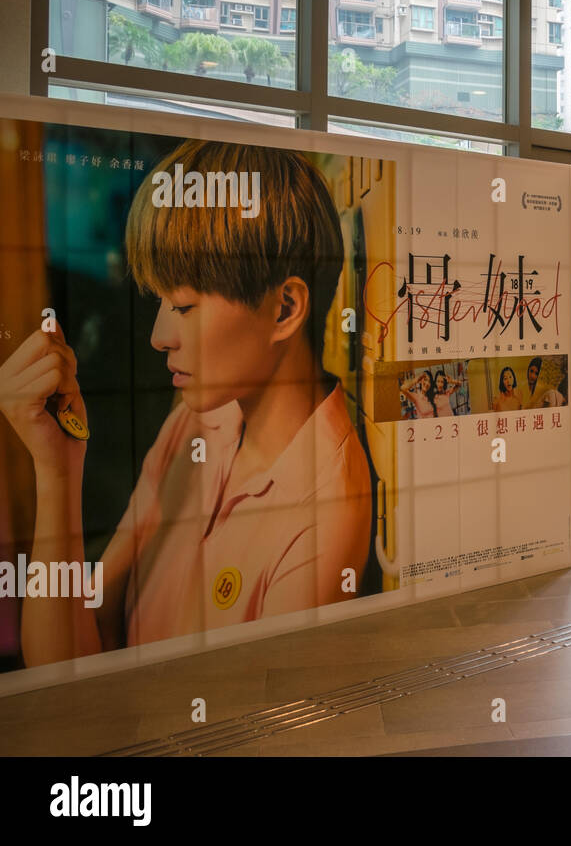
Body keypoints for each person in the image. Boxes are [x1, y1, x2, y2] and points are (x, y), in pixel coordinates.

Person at [0, 140, 372, 667]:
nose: (159, 336)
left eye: (183, 306)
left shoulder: (326, 512)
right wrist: (57, 471)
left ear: (284, 307)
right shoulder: (201, 423)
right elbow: (71, 661)